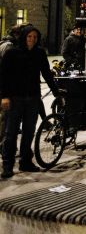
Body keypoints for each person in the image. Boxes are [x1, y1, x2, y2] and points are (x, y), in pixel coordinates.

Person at [0, 24, 61, 178]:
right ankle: (7, 165)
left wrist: (56, 92)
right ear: (23, 37)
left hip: (32, 99)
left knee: (29, 132)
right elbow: (3, 77)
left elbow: (47, 74)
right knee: (10, 133)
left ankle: (25, 162)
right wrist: (4, 97)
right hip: (14, 99)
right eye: (29, 37)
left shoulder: (39, 53)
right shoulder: (11, 53)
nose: (32, 40)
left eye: (35, 37)